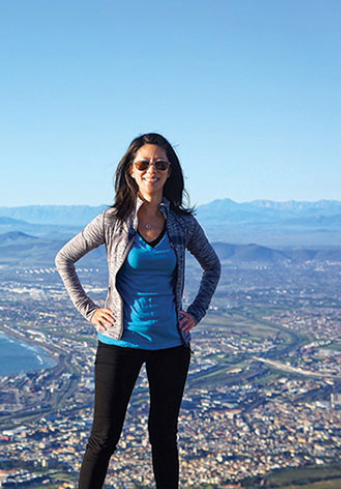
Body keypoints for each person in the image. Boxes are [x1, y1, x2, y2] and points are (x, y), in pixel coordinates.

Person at [55, 133, 221, 489]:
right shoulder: (112, 222)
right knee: (104, 437)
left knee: (163, 437)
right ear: (130, 171)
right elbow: (64, 258)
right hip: (120, 342)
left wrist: (196, 311)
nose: (151, 171)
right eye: (143, 164)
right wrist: (88, 310)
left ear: (169, 171)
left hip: (170, 345)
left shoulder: (183, 225)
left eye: (160, 164)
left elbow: (212, 265)